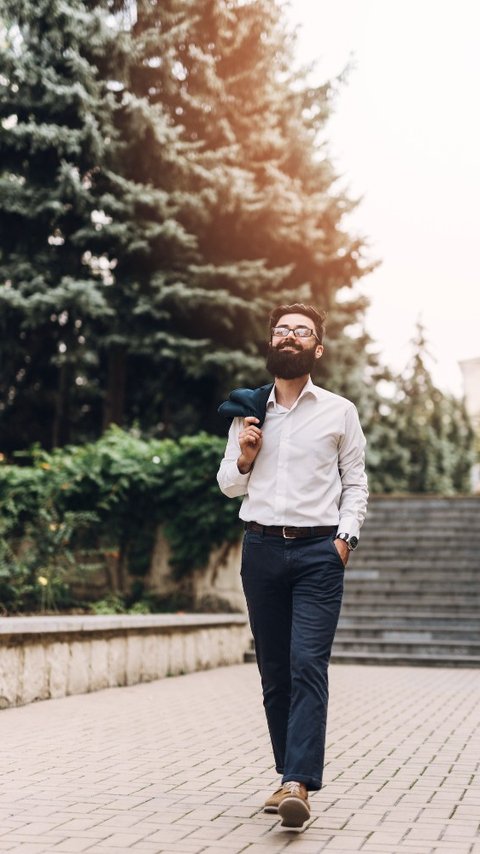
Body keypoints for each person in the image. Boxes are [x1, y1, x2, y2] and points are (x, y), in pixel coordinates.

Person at [217, 303, 368, 829]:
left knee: (308, 664)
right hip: (259, 551)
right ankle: (288, 777)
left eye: (301, 331)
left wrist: (344, 539)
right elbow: (228, 485)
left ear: (317, 349)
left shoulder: (339, 411)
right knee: (275, 673)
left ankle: (298, 783)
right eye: (281, 329)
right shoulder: (248, 411)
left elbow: (355, 482)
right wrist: (245, 456)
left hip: (317, 555)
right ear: (272, 343)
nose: (289, 336)